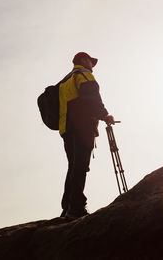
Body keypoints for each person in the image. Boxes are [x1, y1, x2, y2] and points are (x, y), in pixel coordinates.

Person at [59, 52, 114, 219]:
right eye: (91, 62)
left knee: (74, 166)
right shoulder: (84, 75)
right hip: (82, 126)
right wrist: (105, 115)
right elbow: (92, 99)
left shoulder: (65, 81)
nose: (93, 66)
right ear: (83, 60)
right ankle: (76, 208)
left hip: (67, 130)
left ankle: (67, 207)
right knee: (80, 166)